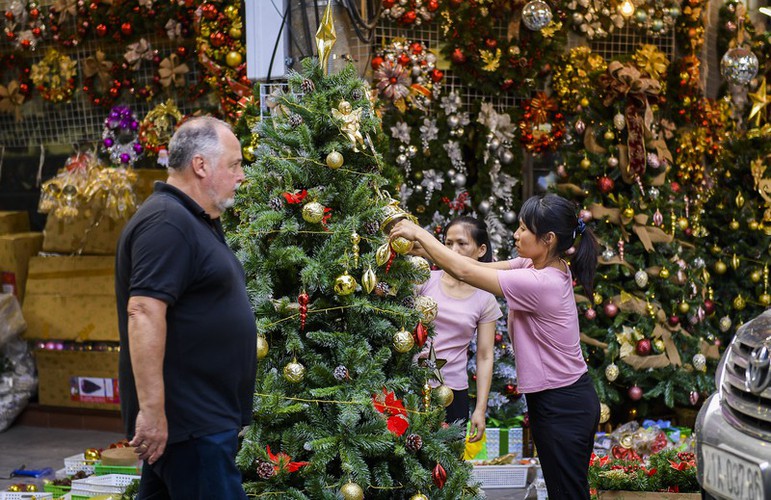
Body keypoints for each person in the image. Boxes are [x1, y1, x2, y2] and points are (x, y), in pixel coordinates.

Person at [391, 193, 600, 499]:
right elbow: (465, 263)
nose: (516, 235)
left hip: (564, 403)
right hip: (554, 399)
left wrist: (420, 233)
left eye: (524, 229)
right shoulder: (533, 263)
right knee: (562, 491)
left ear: (549, 239)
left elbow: (466, 272)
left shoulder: (542, 284)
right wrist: (420, 245)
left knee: (568, 493)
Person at [115, 116, 256, 499]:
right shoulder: (167, 222)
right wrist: (153, 412)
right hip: (191, 426)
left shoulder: (193, 220)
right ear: (201, 165)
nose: (241, 175)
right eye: (235, 164)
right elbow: (143, 311)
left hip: (198, 425)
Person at [416, 216, 502, 441]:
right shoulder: (424, 280)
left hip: (453, 395)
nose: (453, 249)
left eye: (462, 243)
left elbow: (484, 356)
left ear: (481, 249)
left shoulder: (485, 298)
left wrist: (480, 409)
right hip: (412, 387)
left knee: (449, 469)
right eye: (448, 243)